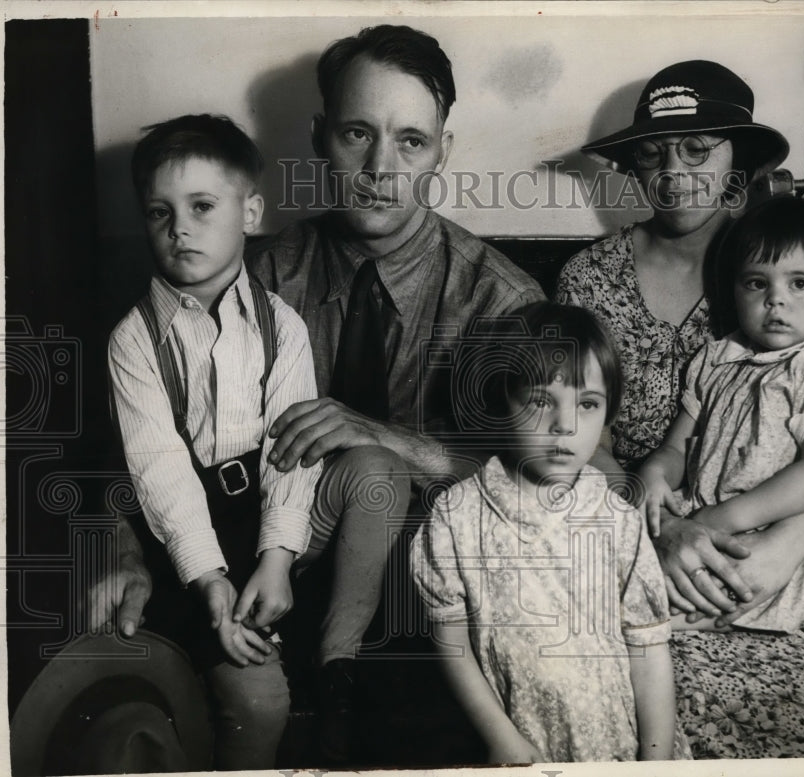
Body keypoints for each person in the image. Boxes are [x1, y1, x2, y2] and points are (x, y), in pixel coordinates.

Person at [90, 24, 544, 763]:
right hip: (254, 569)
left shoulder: (499, 300)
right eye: (356, 134)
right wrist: (121, 548)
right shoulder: (254, 274)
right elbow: (140, 439)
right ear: (319, 137)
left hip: (424, 612)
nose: (378, 168)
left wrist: (395, 439)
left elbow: (585, 478)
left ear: (444, 153)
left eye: (411, 142)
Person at [556, 60, 804, 757]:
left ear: (739, 162)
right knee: (640, 723)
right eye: (653, 153)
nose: (674, 170)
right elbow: (584, 438)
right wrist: (651, 525)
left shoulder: (782, 267)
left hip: (793, 561)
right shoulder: (588, 277)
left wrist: (787, 545)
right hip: (643, 544)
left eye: (699, 149)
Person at [108, 114, 321, 769]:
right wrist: (210, 581)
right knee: (255, 700)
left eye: (203, 206)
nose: (180, 228)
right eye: (159, 211)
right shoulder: (135, 339)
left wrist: (278, 555)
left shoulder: (281, 326)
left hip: (264, 514)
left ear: (250, 210)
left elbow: (293, 448)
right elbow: (162, 472)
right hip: (184, 532)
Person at [411, 301, 686, 763]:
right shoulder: (456, 517)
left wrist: (654, 762)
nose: (566, 424)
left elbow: (648, 647)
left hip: (618, 743)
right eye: (541, 401)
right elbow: (452, 644)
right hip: (520, 740)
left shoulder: (615, 516)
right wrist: (501, 738)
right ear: (501, 401)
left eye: (588, 404)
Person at [639, 196, 804, 633]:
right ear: (733, 291)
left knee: (639, 607)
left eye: (799, 284)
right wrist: (657, 473)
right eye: (757, 283)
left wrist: (724, 518)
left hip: (774, 538)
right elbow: (677, 445)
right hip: (712, 526)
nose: (776, 300)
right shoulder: (717, 359)